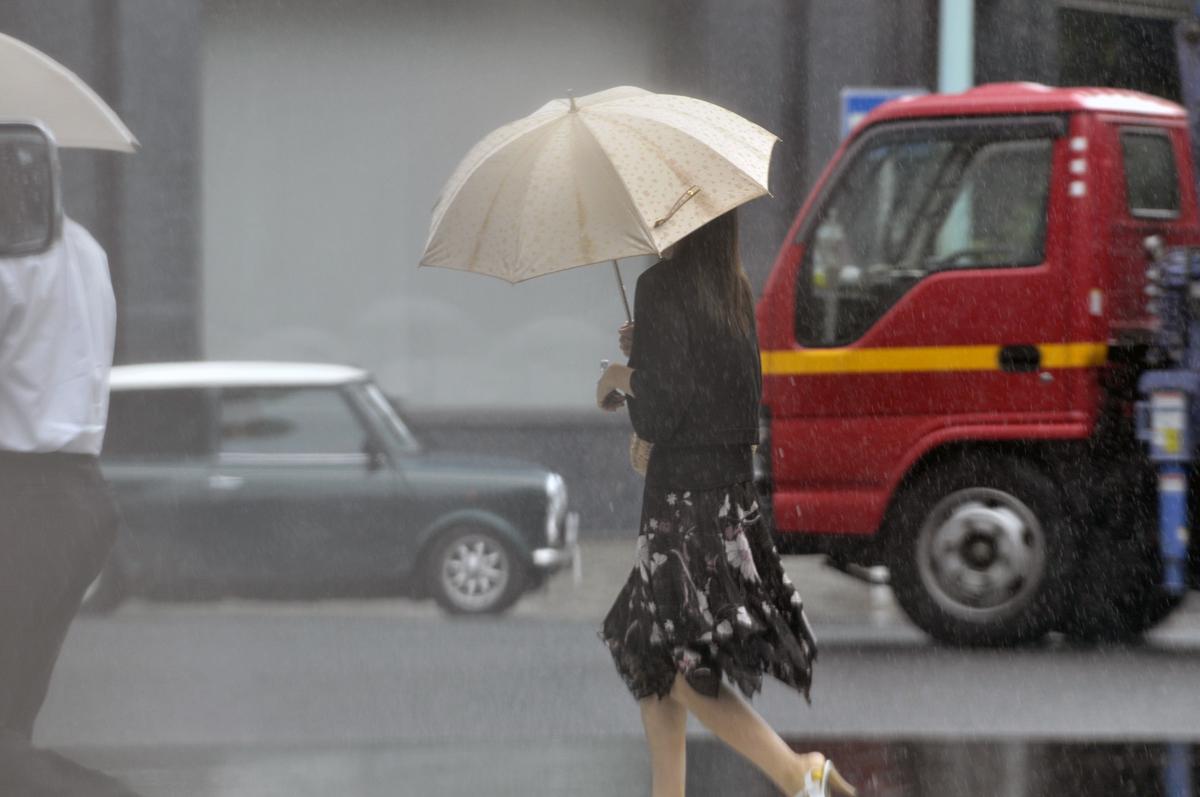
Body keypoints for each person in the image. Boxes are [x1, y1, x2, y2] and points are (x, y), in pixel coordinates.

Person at [595, 210, 856, 797]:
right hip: (730, 500)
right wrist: (651, 351)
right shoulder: (731, 287)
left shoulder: (659, 286)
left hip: (680, 503)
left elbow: (664, 411)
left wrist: (620, 375)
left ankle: (796, 772)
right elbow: (730, 393)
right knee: (646, 643)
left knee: (664, 654)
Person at [0, 207, 136, 796]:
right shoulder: (85, 245)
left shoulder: (12, 255)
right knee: (13, 721)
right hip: (76, 494)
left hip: (20, 496)